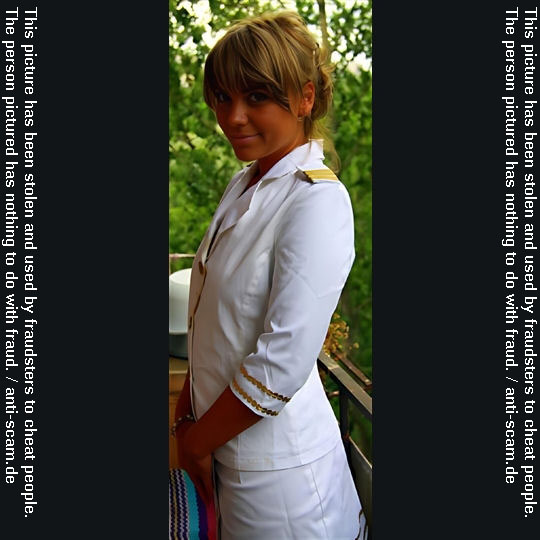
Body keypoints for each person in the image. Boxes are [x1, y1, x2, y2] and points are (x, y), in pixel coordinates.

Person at [172, 11, 366, 540]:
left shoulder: (316, 200)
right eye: (221, 97)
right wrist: (186, 420)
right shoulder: (245, 183)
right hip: (226, 453)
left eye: (256, 97)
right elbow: (209, 321)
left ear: (304, 99)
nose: (233, 117)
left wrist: (196, 441)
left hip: (284, 488)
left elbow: (281, 361)